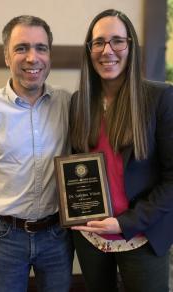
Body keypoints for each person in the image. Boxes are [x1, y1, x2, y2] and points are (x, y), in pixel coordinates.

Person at [70, 9, 173, 292]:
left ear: (131, 45)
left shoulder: (160, 97)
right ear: (89, 50)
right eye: (99, 42)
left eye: (117, 41)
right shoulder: (80, 101)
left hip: (142, 235)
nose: (108, 51)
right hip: (92, 238)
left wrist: (126, 222)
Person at [0, 15, 73, 292]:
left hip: (57, 234)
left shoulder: (67, 103)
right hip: (6, 236)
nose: (33, 57)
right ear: (6, 56)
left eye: (41, 48)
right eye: (21, 48)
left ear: (49, 55)